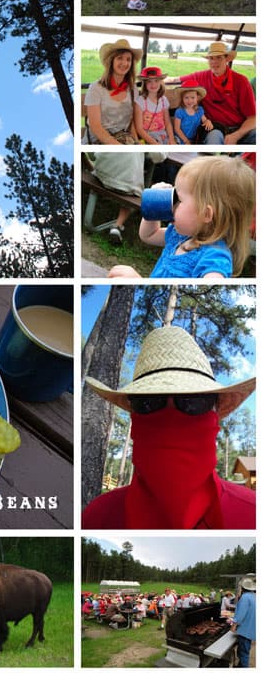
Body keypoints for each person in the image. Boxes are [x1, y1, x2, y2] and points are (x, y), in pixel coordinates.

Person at [81, 325, 256, 530]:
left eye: (194, 401)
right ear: (133, 414)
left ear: (215, 411)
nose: (170, 419)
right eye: (149, 402)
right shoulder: (98, 518)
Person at [108, 154, 255, 279]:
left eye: (179, 199)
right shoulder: (180, 235)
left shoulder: (214, 259)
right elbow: (149, 235)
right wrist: (155, 205)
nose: (172, 203)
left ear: (206, 214)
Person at [179, 41, 256, 145]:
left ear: (226, 59)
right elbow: (177, 79)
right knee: (214, 140)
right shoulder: (201, 76)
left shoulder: (241, 81)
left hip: (240, 128)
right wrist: (159, 81)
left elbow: (253, 118)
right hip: (214, 127)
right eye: (211, 58)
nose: (214, 62)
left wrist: (236, 135)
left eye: (219, 57)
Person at [82, 38, 140, 145]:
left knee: (157, 154)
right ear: (111, 61)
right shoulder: (96, 88)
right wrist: (118, 146)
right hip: (99, 141)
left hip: (125, 139)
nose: (124, 63)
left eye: (128, 59)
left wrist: (136, 143)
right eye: (120, 58)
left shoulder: (133, 89)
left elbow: (131, 122)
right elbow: (96, 127)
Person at [134, 66, 175, 145]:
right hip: (148, 137)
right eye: (149, 81)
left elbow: (167, 123)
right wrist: (155, 144)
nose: (153, 84)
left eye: (156, 80)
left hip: (163, 136)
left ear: (160, 82)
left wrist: (171, 138)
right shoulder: (140, 101)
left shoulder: (163, 100)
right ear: (145, 83)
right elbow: (139, 129)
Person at [172, 79, 213, 144]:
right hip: (181, 138)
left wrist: (208, 121)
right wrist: (186, 141)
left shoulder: (199, 110)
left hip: (195, 139)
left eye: (193, 97)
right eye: (186, 97)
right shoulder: (180, 112)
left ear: (197, 98)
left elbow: (204, 121)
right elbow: (177, 129)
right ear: (182, 98)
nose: (189, 101)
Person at [230, 577, 256, 668]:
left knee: (244, 654)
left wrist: (233, 626)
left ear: (243, 588)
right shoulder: (254, 596)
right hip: (251, 630)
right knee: (243, 650)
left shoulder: (245, 597)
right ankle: (240, 666)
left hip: (245, 631)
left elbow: (240, 615)